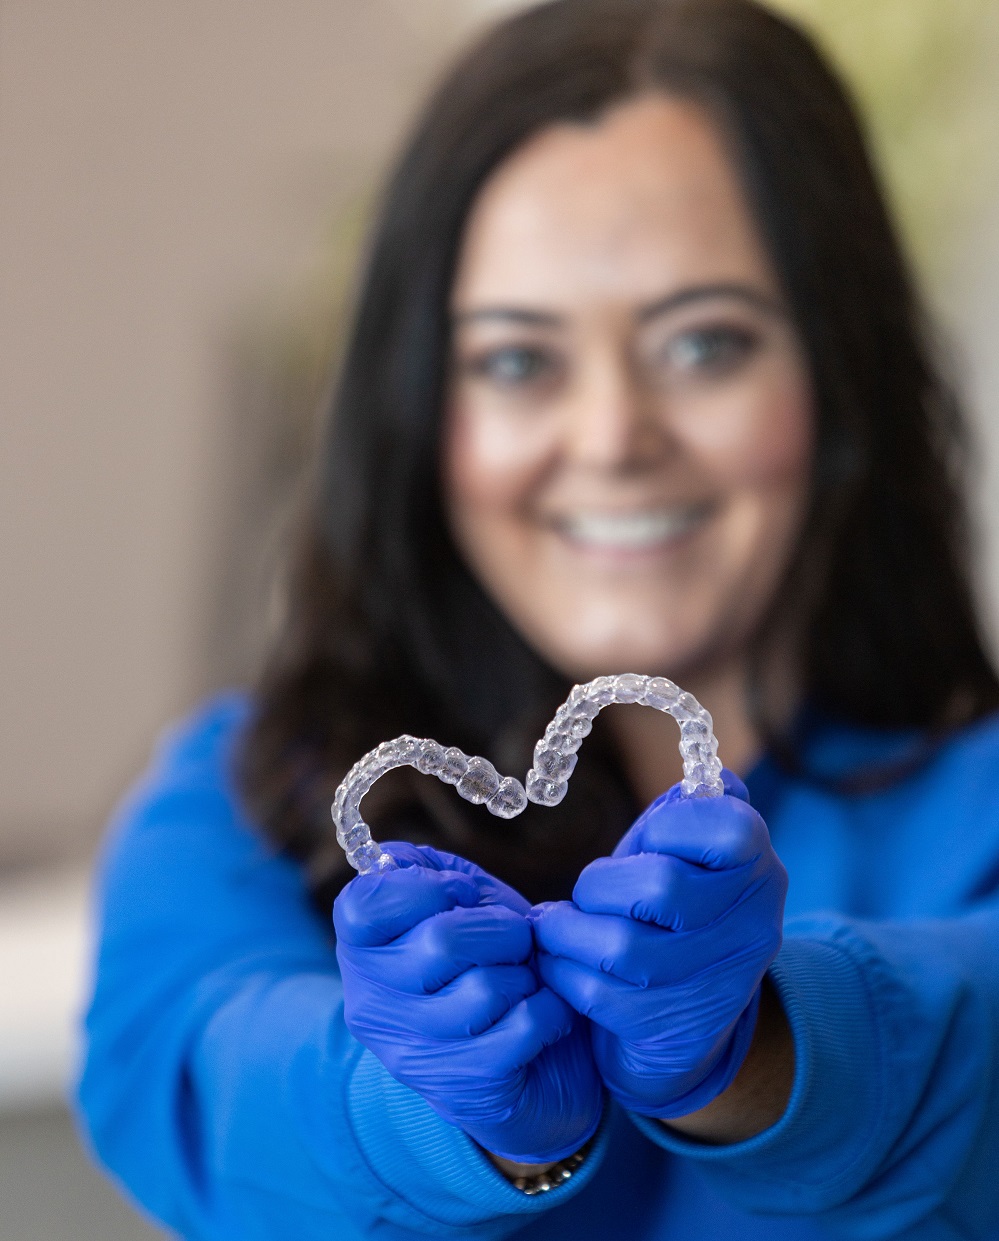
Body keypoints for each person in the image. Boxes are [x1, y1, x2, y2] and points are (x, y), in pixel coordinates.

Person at [76, 0, 999, 1236]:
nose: (614, 436)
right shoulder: (236, 801)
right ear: (420, 416)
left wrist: (770, 1048)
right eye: (518, 360)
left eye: (705, 343)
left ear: (841, 378)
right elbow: (196, 1073)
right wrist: (424, 1111)